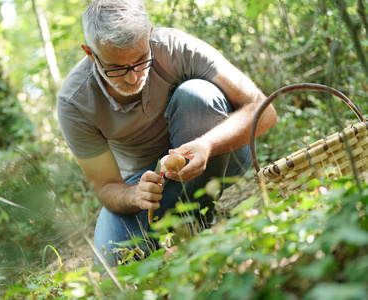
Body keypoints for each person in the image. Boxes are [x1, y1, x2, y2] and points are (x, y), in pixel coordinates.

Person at [57, 0, 277, 266]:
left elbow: (264, 110)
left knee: (197, 94)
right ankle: (182, 239)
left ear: (149, 35)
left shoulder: (176, 47)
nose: (132, 77)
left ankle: (201, 225)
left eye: (140, 60)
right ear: (90, 54)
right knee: (111, 261)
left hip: (218, 157)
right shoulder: (74, 102)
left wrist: (206, 145)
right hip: (148, 185)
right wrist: (134, 194)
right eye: (116, 68)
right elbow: (105, 186)